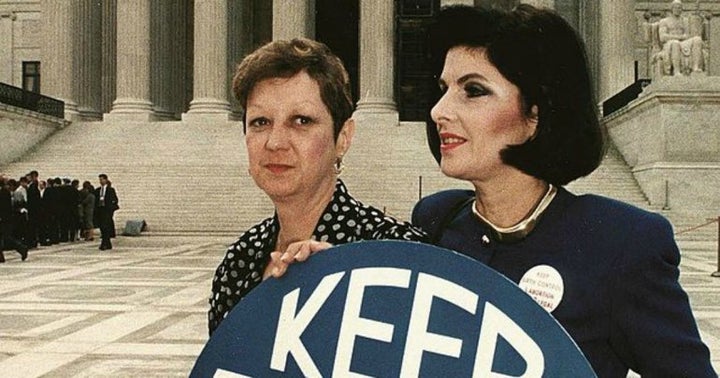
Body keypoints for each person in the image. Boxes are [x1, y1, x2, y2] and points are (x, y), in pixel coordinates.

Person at [411, 5, 716, 377]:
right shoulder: (435, 221)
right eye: (444, 89)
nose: (438, 111)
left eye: (473, 90)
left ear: (535, 115)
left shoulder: (621, 245)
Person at [207, 38, 427, 336]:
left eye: (301, 120)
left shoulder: (396, 251)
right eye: (260, 122)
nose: (274, 142)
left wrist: (342, 287)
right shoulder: (240, 259)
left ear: (343, 137)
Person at [658, 0, 703, 75]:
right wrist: (679, 37)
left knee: (697, 39)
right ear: (671, 9)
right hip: (670, 43)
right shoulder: (664, 21)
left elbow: (688, 35)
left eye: (679, 8)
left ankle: (695, 67)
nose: (678, 10)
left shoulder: (685, 21)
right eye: (676, 8)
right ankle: (677, 71)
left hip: (683, 42)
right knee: (675, 43)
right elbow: (662, 37)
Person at [0, 176, 28, 263]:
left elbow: (4, 207)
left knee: (7, 238)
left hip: (4, 219)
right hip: (5, 218)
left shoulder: (3, 192)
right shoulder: (4, 191)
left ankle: (22, 248)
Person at [94, 174, 118, 250]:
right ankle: (107, 243)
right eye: (100, 180)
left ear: (106, 180)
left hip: (107, 210)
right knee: (102, 227)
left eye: (102, 179)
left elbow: (115, 200)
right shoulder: (98, 190)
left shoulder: (110, 190)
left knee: (106, 226)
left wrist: (111, 209)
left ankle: (104, 243)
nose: (101, 181)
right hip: (100, 210)